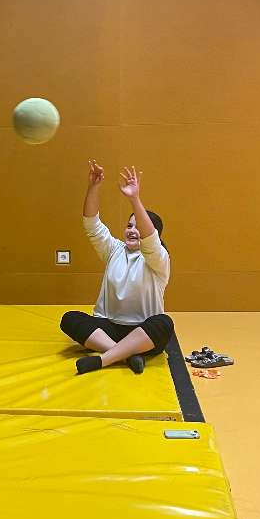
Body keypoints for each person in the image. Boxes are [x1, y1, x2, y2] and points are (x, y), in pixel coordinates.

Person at [60, 161, 175, 375]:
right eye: (129, 225)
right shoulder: (114, 249)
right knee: (70, 319)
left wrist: (134, 199)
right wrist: (93, 186)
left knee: (164, 324)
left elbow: (149, 238)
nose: (132, 230)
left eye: (137, 227)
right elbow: (91, 225)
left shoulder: (158, 259)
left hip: (143, 333)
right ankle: (124, 355)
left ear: (154, 235)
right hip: (108, 329)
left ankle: (103, 359)